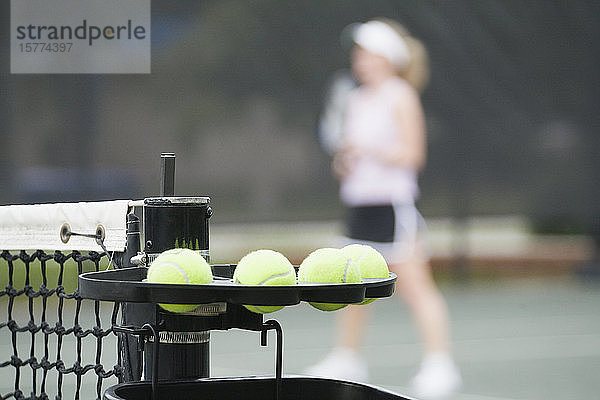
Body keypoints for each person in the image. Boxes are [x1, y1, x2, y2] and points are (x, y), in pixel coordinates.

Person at [307, 18, 462, 400]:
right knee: (352, 289)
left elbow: (412, 154)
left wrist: (367, 150)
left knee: (416, 287)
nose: (358, 59)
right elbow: (350, 157)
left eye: (365, 51)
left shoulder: (400, 95)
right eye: (357, 52)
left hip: (392, 208)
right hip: (358, 206)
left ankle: (441, 365)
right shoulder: (357, 98)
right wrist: (345, 161)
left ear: (386, 58)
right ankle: (347, 358)